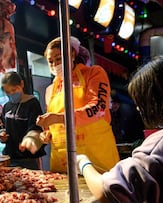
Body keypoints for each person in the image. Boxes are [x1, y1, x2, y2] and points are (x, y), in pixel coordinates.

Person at [77, 55, 163, 203]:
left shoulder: (161, 145)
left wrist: (83, 163)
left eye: (140, 102)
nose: (138, 108)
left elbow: (106, 190)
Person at [36, 36, 120, 173]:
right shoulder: (50, 89)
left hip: (96, 158)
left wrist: (60, 118)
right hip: (62, 162)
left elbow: (98, 108)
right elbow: (51, 127)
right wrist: (47, 134)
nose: (54, 65)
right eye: (50, 62)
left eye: (58, 59)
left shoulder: (94, 73)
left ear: (72, 54)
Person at [0, 71, 46, 170]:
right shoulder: (6, 106)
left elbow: (36, 126)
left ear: (22, 84)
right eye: (8, 92)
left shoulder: (32, 103)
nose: (12, 94)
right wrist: (2, 135)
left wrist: (29, 140)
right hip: (9, 157)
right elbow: (2, 126)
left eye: (14, 89)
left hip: (28, 159)